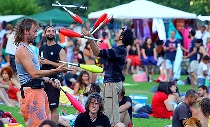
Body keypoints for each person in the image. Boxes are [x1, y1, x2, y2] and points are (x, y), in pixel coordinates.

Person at [14, 18, 67, 127]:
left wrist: (51, 79)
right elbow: (34, 74)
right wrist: (56, 70)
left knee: (45, 124)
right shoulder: (22, 50)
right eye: (34, 31)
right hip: (31, 94)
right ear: (25, 31)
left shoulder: (29, 48)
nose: (36, 34)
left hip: (38, 91)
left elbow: (35, 76)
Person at [82, 27, 134, 126]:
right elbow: (98, 53)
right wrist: (90, 38)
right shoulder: (117, 49)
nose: (116, 33)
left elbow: (99, 53)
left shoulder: (120, 50)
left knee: (112, 119)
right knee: (103, 111)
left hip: (112, 85)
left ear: (121, 37)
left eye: (118, 32)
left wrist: (90, 38)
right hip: (109, 84)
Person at [39, 26, 67, 124]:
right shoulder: (41, 48)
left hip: (54, 80)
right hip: (42, 79)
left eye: (53, 31)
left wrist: (49, 62)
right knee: (42, 106)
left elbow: (65, 66)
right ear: (45, 33)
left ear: (55, 34)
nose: (51, 33)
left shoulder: (59, 49)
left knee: (53, 107)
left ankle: (53, 126)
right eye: (49, 31)